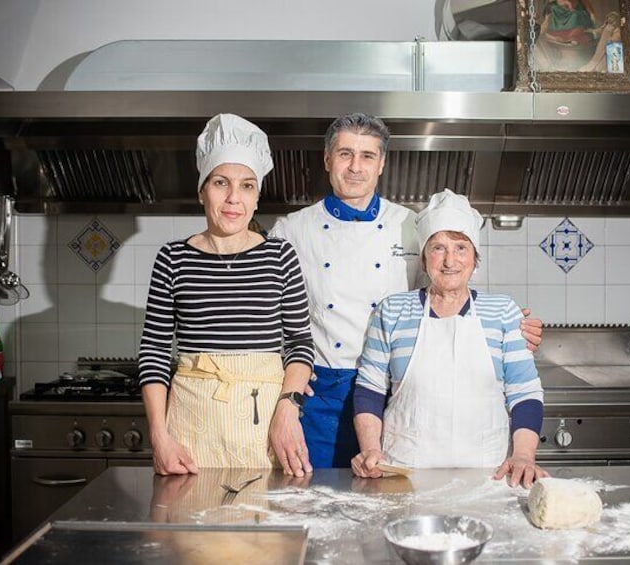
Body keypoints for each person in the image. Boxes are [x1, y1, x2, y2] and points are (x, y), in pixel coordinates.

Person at [270, 113, 544, 470]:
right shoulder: (291, 231)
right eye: (345, 154)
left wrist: (510, 325)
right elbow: (269, 317)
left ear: (382, 163)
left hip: (394, 392)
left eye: (367, 156)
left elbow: (445, 291)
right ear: (326, 159)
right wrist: (287, 393)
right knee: (317, 502)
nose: (356, 167)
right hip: (320, 391)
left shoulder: (410, 225)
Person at [138, 113, 314, 476]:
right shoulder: (172, 258)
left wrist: (288, 407)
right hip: (190, 428)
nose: (234, 198)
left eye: (247, 186)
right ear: (202, 189)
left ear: (257, 195)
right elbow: (154, 350)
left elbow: (300, 343)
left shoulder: (280, 256)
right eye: (221, 183)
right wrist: (159, 436)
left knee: (259, 530)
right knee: (192, 530)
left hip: (264, 426)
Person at [350, 189, 548, 489]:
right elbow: (370, 389)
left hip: (486, 474)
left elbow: (525, 393)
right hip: (405, 473)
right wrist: (370, 449)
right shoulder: (392, 311)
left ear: (474, 257)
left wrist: (523, 455)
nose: (449, 260)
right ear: (425, 256)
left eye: (460, 248)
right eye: (438, 248)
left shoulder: (503, 311)